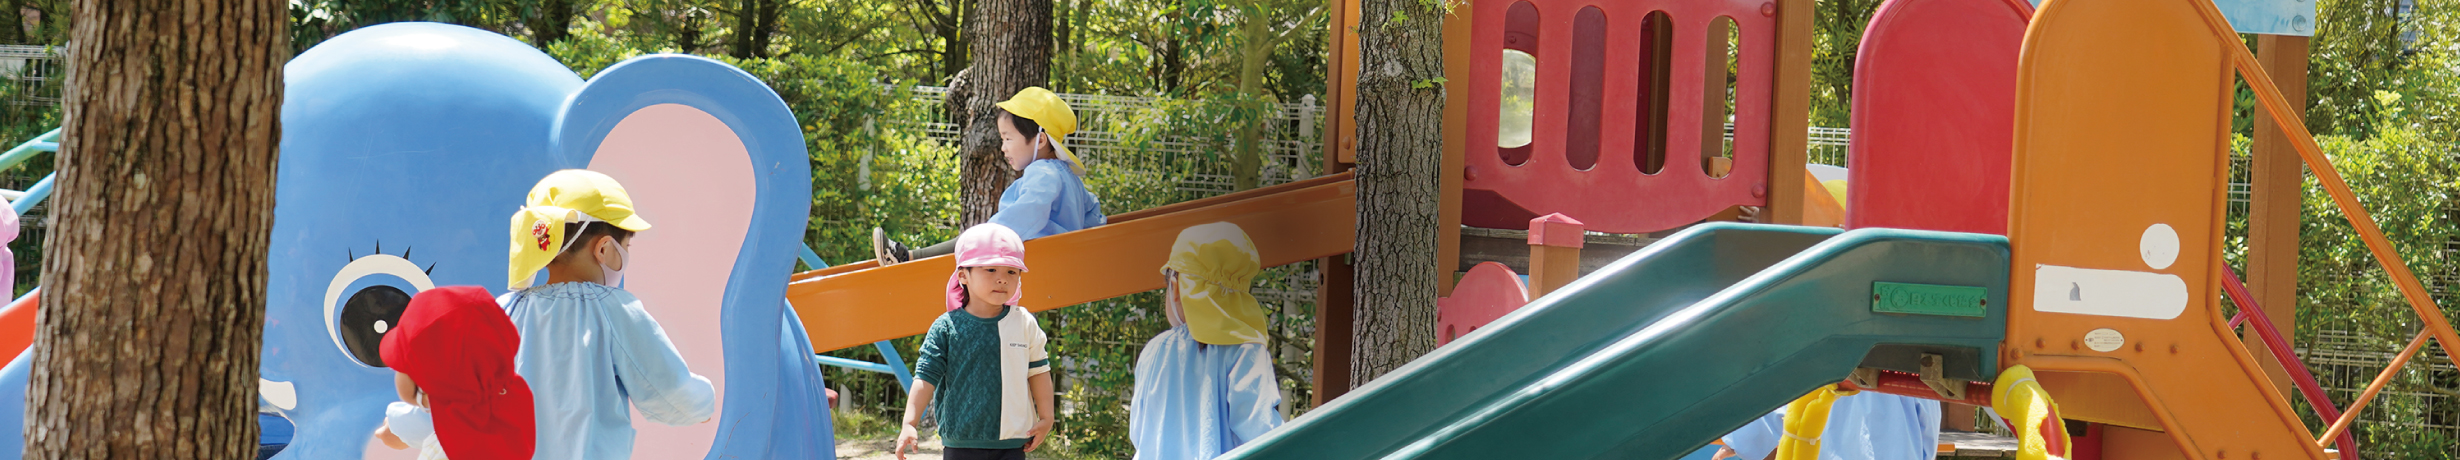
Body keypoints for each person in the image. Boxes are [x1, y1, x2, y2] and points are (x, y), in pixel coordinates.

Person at [501, 169, 715, 459]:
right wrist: (702, 404)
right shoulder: (614, 309)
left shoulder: (504, 310)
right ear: (603, 248)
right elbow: (671, 394)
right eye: (626, 246)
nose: (627, 254)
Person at [875, 87, 1105, 265]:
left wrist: (990, 232)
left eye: (1007, 138)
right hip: (1052, 257)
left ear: (1041, 140)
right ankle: (910, 256)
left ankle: (909, 257)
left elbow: (1029, 212)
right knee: (974, 241)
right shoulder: (1068, 177)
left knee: (972, 242)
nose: (1003, 147)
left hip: (1029, 258)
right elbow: (1094, 215)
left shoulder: (1042, 172)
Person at [895, 223, 1057, 460]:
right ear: (963, 275)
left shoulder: (1024, 323)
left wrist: (1046, 418)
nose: (1002, 279)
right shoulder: (946, 327)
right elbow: (925, 377)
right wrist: (910, 422)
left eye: (1011, 271)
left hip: (1013, 443)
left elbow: (1039, 372)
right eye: (990, 270)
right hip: (962, 442)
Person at [1128, 222, 1284, 459]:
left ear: (1175, 287)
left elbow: (1139, 433)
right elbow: (1262, 434)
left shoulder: (1154, 350)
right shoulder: (1247, 351)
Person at [369, 286, 537, 460]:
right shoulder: (509, 410)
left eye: (402, 364)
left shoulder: (447, 450)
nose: (395, 370)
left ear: (426, 385)